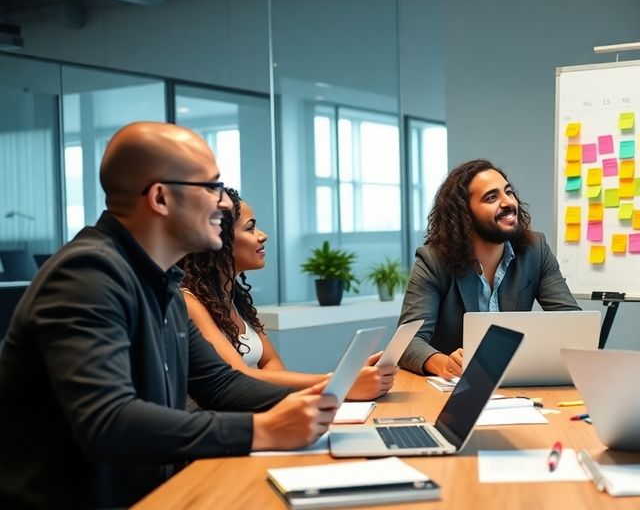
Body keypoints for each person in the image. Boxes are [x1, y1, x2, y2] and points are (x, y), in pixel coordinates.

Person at [0, 123, 337, 508]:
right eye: (211, 187)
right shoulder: (87, 275)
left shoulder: (162, 282)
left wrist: (325, 396)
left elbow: (220, 385)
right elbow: (109, 421)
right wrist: (261, 429)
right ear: (160, 198)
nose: (225, 203)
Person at [179, 188, 395, 399]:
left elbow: (275, 368)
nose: (263, 236)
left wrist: (342, 380)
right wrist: (339, 382)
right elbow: (237, 378)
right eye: (250, 228)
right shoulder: (189, 302)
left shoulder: (235, 299)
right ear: (219, 238)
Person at [398, 159, 581, 378]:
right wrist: (442, 363)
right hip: (453, 390)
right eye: (492, 197)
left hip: (517, 383)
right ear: (464, 214)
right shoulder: (433, 261)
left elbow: (573, 325)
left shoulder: (535, 250)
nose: (507, 202)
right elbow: (408, 341)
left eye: (508, 192)